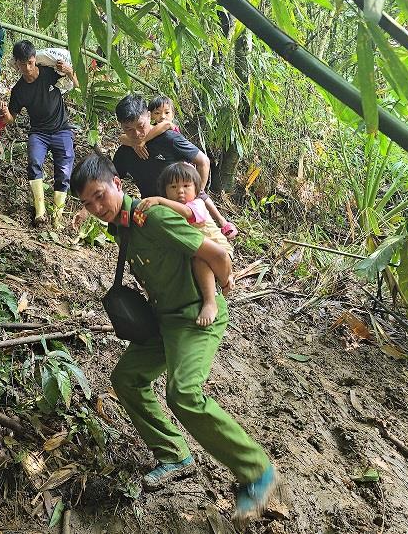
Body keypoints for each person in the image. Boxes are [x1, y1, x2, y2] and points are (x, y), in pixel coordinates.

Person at [70, 154, 277, 524]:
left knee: (183, 393)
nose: (96, 207)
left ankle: (257, 472)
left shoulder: (156, 218)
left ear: (118, 184)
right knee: (127, 379)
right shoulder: (124, 228)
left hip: (195, 319)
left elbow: (215, 254)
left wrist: (221, 289)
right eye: (88, 203)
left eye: (100, 196)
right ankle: (173, 454)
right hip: (163, 322)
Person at [112, 94, 237, 239]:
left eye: (141, 126)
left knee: (218, 252)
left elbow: (203, 161)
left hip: (186, 213)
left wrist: (196, 197)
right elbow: (111, 180)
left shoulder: (168, 139)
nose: (137, 134)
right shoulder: (125, 151)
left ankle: (222, 223)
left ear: (148, 115)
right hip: (155, 214)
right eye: (129, 129)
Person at [137, 162, 233, 327]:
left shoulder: (197, 204)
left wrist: (159, 200)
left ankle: (211, 302)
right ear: (165, 190)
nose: (180, 191)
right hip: (197, 250)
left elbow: (188, 214)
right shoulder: (171, 209)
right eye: (173, 186)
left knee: (199, 259)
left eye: (186, 186)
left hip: (218, 251)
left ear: (196, 189)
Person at [5, 40, 78, 227]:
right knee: (34, 162)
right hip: (39, 133)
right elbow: (11, 117)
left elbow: (76, 85)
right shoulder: (18, 90)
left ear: (34, 59)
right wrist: (1, 112)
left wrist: (69, 71)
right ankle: (40, 212)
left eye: (30, 63)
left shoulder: (49, 73)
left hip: (62, 129)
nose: (27, 68)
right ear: (17, 64)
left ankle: (58, 217)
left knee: (64, 171)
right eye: (22, 64)